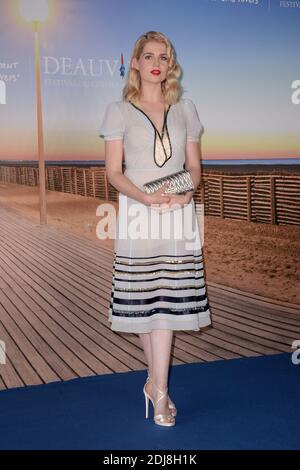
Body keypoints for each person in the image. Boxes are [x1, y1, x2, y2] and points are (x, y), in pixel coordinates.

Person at [99, 31, 212, 427]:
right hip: (138, 212)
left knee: (164, 307)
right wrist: (146, 199)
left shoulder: (186, 109)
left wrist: (185, 194)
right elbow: (114, 172)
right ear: (135, 62)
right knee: (148, 305)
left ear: (170, 64)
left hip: (178, 212)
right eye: (148, 56)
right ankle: (156, 385)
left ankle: (158, 391)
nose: (156, 62)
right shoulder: (119, 110)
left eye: (163, 56)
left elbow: (194, 167)